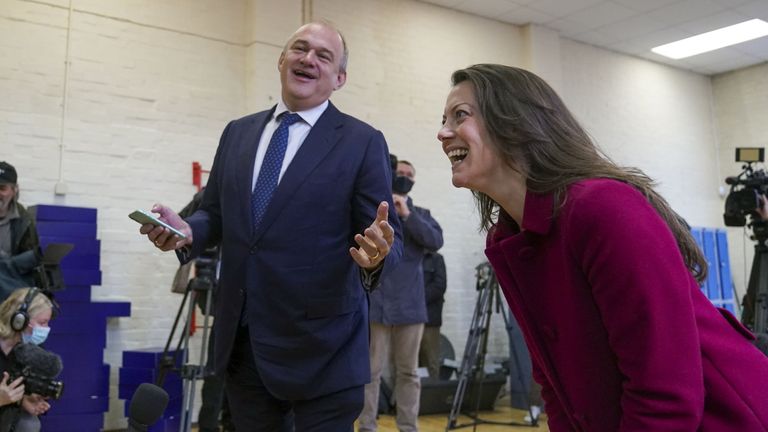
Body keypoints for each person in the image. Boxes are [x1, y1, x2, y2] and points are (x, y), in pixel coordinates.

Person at [436, 64, 768, 431]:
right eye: (444, 119)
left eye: (459, 116)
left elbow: (665, 394)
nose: (442, 132)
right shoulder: (507, 238)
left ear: (514, 123)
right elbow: (557, 388)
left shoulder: (604, 207)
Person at [138, 20, 402, 432]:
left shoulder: (362, 141)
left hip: (323, 352)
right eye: (300, 48)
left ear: (340, 78)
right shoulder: (238, 133)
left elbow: (386, 237)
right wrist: (188, 231)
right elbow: (216, 214)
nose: (308, 59)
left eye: (323, 55)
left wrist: (377, 255)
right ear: (281, 59)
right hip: (245, 346)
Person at [359, 160, 443, 432]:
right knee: (370, 373)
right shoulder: (377, 212)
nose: (404, 177)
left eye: (410, 174)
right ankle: (368, 426)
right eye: (400, 173)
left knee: (408, 373)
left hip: (410, 306)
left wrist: (407, 214)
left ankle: (408, 426)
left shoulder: (421, 213)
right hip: (377, 304)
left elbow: (434, 241)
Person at [0, 287, 55, 432]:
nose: (46, 329)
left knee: (29, 424)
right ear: (20, 320)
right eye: (42, 323)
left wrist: (24, 400)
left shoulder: (21, 351)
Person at [0, 163, 41, 302]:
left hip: (11, 294)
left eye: (2, 188)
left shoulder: (24, 220)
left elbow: (31, 261)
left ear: (14, 190)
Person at [417, 250, 446, 381]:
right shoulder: (409, 257)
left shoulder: (436, 259)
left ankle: (432, 398)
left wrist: (416, 297)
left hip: (430, 320)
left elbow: (439, 286)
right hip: (408, 320)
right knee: (409, 364)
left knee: (431, 362)